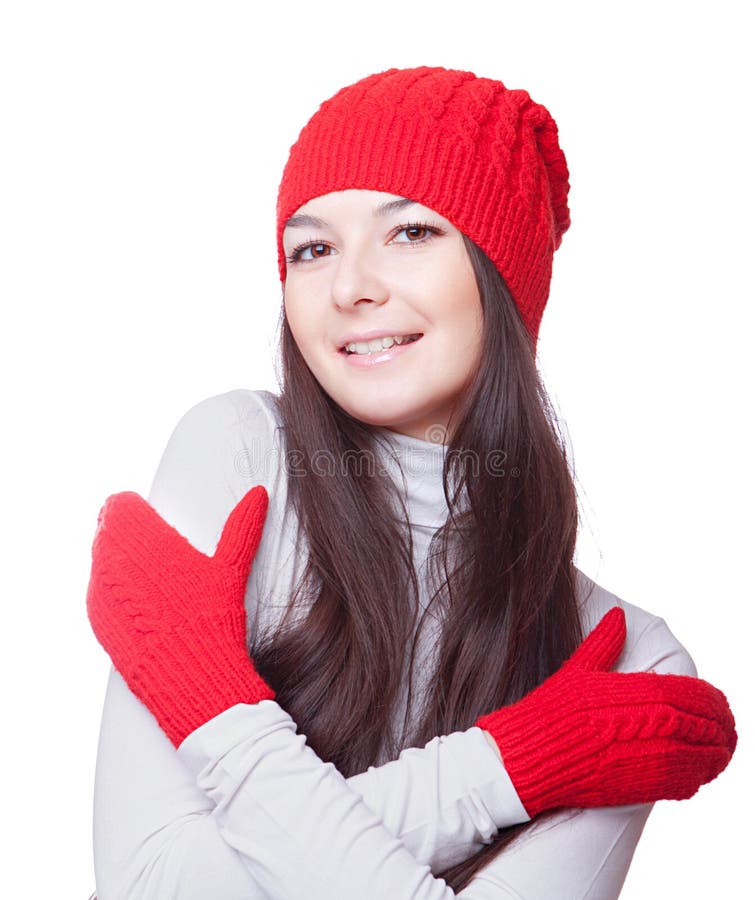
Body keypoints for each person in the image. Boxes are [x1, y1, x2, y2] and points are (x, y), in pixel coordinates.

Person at [86, 66, 737, 899]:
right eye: (312, 249)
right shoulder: (241, 453)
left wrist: (213, 710)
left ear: (503, 276)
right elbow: (145, 884)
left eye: (411, 233)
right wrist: (502, 772)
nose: (351, 287)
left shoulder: (626, 664)